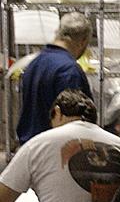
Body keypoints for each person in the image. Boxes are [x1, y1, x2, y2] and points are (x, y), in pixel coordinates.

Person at [16, 12, 94, 145]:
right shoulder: (69, 70)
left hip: (31, 147)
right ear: (82, 42)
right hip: (55, 151)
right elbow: (73, 123)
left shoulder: (35, 63)